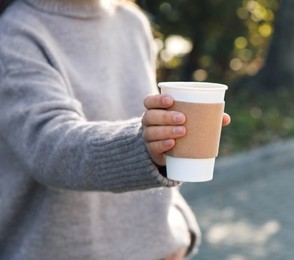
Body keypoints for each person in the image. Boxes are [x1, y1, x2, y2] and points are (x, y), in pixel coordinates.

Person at [0, 0, 231, 259]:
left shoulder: (131, 22)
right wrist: (143, 146)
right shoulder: (15, 33)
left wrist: (178, 226)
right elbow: (50, 147)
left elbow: (150, 137)